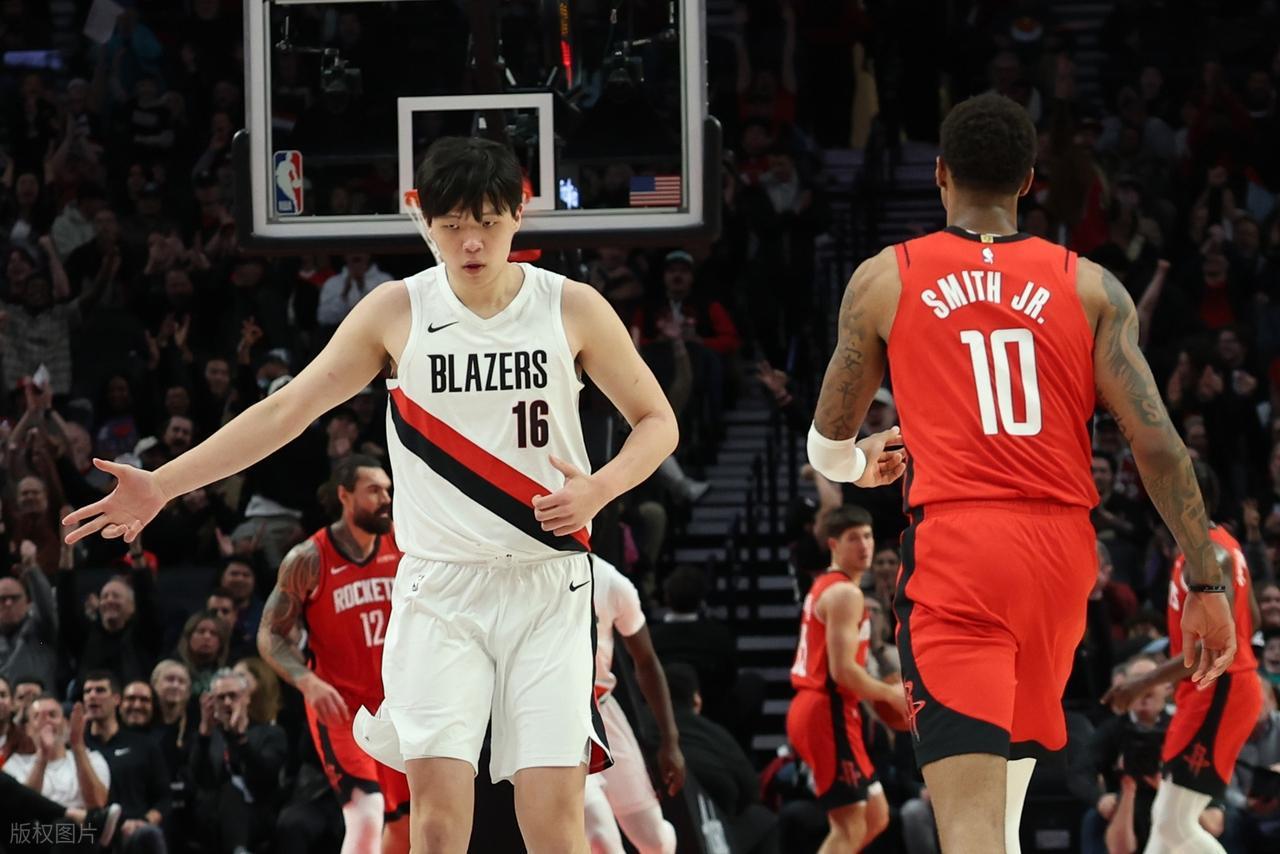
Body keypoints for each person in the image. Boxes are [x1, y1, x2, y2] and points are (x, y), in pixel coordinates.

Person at [65, 135, 679, 854]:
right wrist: (164, 483)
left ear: (519, 213)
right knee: (437, 824)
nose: (471, 241)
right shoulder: (397, 309)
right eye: (452, 224)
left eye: (487, 222)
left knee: (554, 824)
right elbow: (287, 410)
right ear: (423, 220)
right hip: (441, 590)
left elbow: (657, 421)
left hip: (548, 581)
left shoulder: (570, 306)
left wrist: (601, 488)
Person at [805, 92, 1236, 853]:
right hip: (1061, 558)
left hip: (963, 550)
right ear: (1030, 181)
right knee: (1001, 816)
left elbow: (828, 438)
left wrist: (857, 464)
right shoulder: (1092, 286)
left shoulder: (885, 279)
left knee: (971, 828)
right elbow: (1161, 446)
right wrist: (1206, 581)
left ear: (941, 173)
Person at [1102, 462, 1264, 853]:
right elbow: (1254, 618)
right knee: (1165, 821)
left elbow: (1214, 644)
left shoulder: (1210, 556)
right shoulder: (1218, 545)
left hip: (1221, 690)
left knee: (1174, 824)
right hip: (1209, 689)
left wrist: (1141, 683)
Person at [258, 454, 410, 854]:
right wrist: (307, 682)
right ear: (344, 495)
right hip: (341, 707)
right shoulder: (309, 558)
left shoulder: (404, 542)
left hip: (399, 703)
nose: (386, 499)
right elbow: (270, 633)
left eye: (388, 490)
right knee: (366, 813)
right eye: (373, 490)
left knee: (406, 824)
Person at [787, 504, 906, 852]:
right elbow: (843, 671)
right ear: (833, 544)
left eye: (868, 536)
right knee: (849, 825)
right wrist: (890, 694)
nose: (864, 545)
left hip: (831, 709)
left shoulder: (830, 586)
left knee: (876, 816)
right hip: (826, 711)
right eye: (853, 538)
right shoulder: (845, 594)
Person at [582, 555, 684, 854]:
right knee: (601, 840)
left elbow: (647, 661)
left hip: (603, 710)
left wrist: (670, 740)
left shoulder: (610, 582)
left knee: (656, 842)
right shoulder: (529, 574)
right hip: (556, 718)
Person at [192, 668, 288, 854]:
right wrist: (204, 735)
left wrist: (241, 740)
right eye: (221, 697)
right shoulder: (207, 737)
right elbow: (200, 780)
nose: (227, 702)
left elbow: (266, 779)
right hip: (211, 815)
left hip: (257, 812)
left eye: (233, 696)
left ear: (246, 698)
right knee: (228, 791)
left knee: (233, 791)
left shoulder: (270, 733)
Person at [82, 670, 171, 853]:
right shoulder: (77, 746)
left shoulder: (144, 745)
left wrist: (144, 821)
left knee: (148, 835)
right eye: (87, 691)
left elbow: (164, 798)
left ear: (117, 699)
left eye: (100, 690)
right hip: (90, 830)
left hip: (134, 831)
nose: (92, 696)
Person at [2, 695, 110, 810]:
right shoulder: (14, 764)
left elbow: (98, 803)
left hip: (83, 821)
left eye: (52, 715)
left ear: (66, 724)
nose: (47, 721)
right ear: (28, 729)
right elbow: (23, 809)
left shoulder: (92, 758)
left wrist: (77, 746)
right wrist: (42, 756)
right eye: (38, 716)